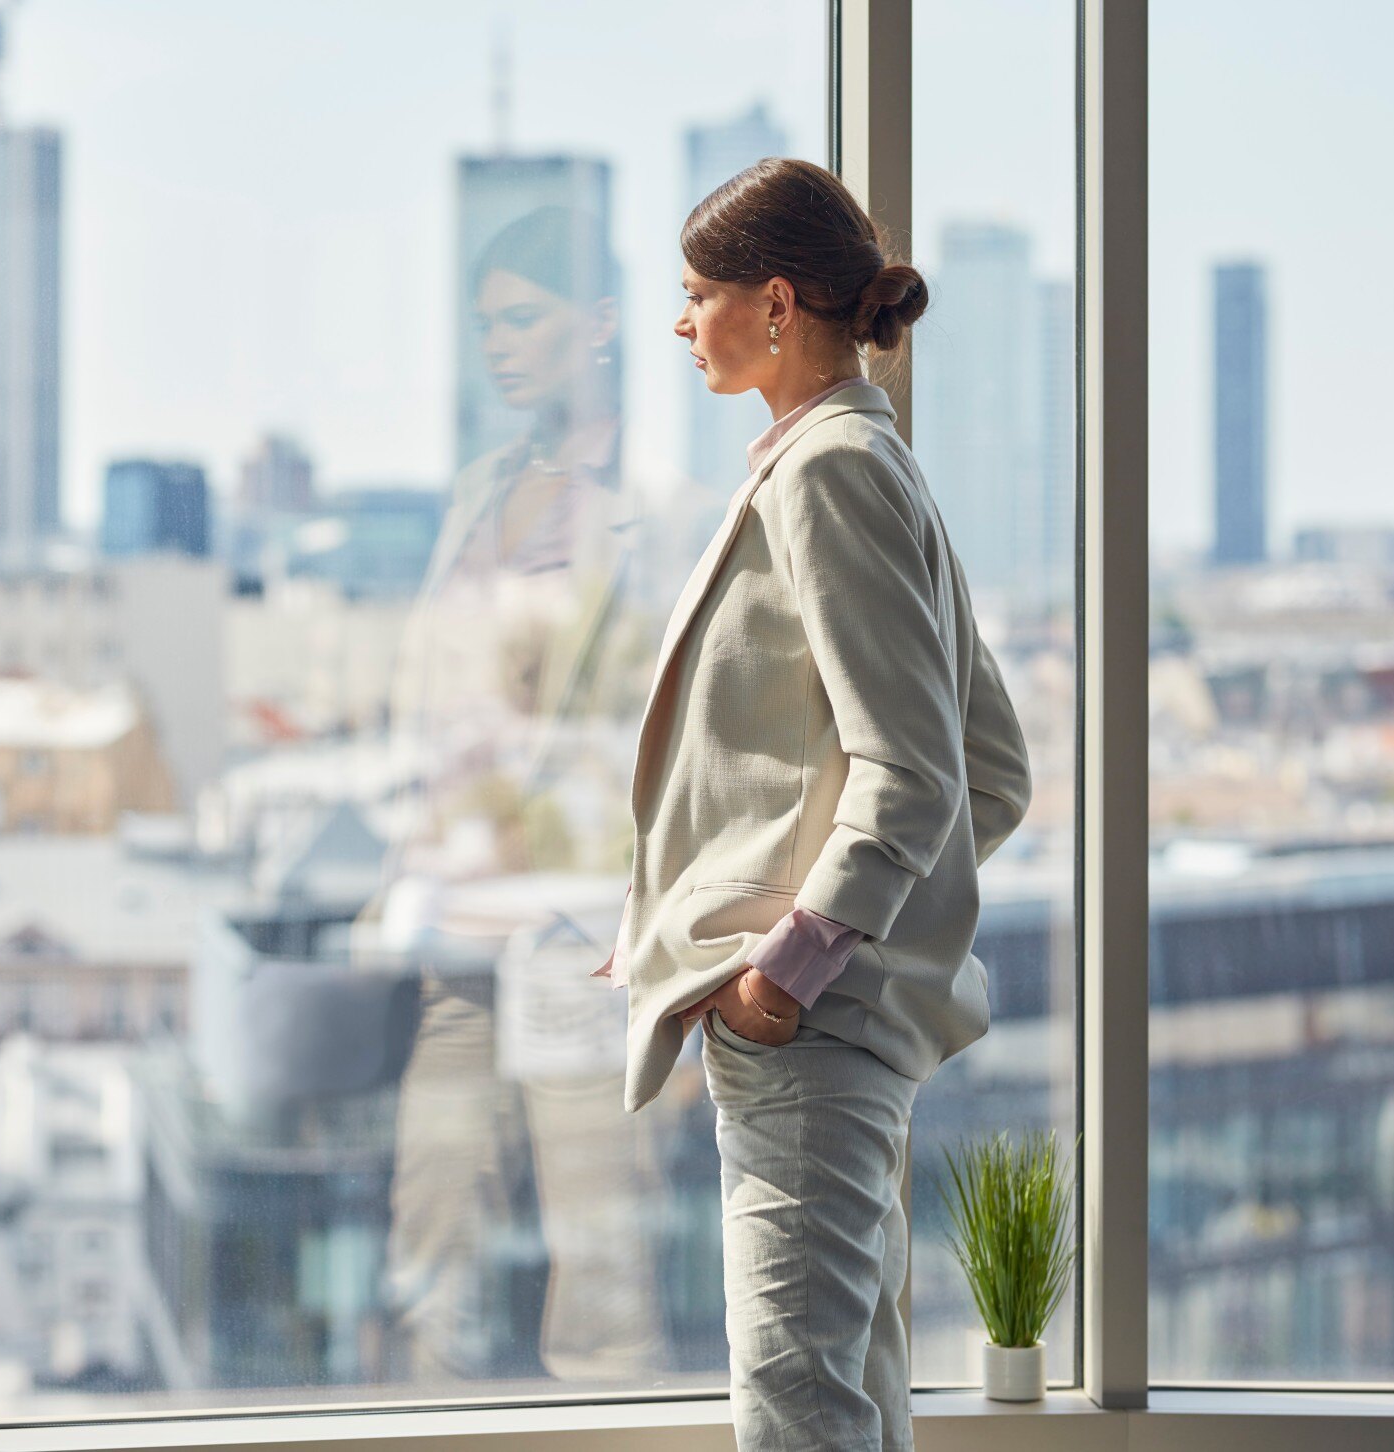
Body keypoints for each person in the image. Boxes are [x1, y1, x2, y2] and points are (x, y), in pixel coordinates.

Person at [617, 156, 1035, 1451]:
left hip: (808, 1032)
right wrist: (866, 930)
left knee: (797, 1417)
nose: (681, 324)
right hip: (839, 1030)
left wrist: (790, 970)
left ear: (777, 301)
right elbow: (990, 773)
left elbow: (917, 777)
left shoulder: (828, 475)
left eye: (699, 294)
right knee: (845, 1405)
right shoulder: (866, 458)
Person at [357, 203, 668, 1383]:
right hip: (450, 921)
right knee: (431, 1232)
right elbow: (430, 692)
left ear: (594, 325)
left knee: (597, 1252)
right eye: (483, 323)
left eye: (521, 319)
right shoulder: (484, 486)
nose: (496, 345)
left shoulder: (651, 503)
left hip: (571, 928)